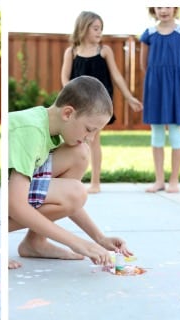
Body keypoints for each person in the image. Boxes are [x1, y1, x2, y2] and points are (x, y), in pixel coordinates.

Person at [8, 75, 133, 270]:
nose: (91, 138)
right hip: (1, 197)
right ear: (68, 113)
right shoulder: (30, 131)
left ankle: (35, 242)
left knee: (80, 153)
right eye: (89, 129)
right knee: (75, 192)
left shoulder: (52, 128)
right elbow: (16, 205)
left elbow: (68, 199)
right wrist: (78, 243)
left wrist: (99, 238)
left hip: (11, 190)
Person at [60, 11, 143, 194]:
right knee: (76, 141)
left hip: (100, 104)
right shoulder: (72, 52)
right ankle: (73, 179)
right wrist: (74, 94)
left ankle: (95, 182)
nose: (99, 33)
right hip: (80, 103)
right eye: (96, 28)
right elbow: (65, 78)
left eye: (101, 29)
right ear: (83, 28)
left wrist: (129, 97)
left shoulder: (104, 51)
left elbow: (116, 76)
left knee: (93, 139)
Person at [139, 7, 180, 194]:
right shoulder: (149, 34)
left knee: (176, 133)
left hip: (177, 88)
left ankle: (174, 180)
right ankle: (159, 180)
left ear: (175, 8)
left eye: (168, 5)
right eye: (159, 6)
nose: (163, 10)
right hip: (155, 88)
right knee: (157, 134)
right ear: (154, 9)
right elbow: (143, 64)